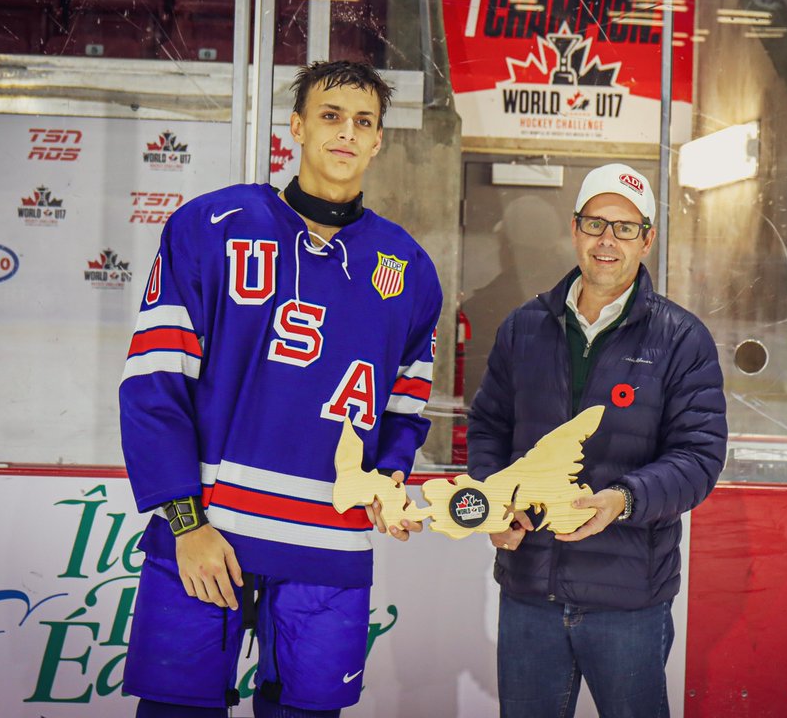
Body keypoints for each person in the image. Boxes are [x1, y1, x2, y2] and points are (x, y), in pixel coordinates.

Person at [119, 60, 442, 718]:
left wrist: (387, 481)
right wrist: (185, 524)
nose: (346, 133)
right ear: (296, 127)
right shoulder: (210, 227)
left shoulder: (408, 267)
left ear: (379, 141)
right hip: (211, 536)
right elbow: (155, 384)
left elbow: (406, 405)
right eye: (330, 116)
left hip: (329, 545)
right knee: (176, 710)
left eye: (363, 122)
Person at [467, 163, 728, 718]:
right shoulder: (524, 328)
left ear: (647, 239)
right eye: (595, 224)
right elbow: (488, 426)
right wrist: (495, 503)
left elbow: (699, 456)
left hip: (628, 599)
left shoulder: (681, 339)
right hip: (529, 591)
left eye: (625, 228)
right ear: (575, 229)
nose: (607, 240)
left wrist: (624, 500)